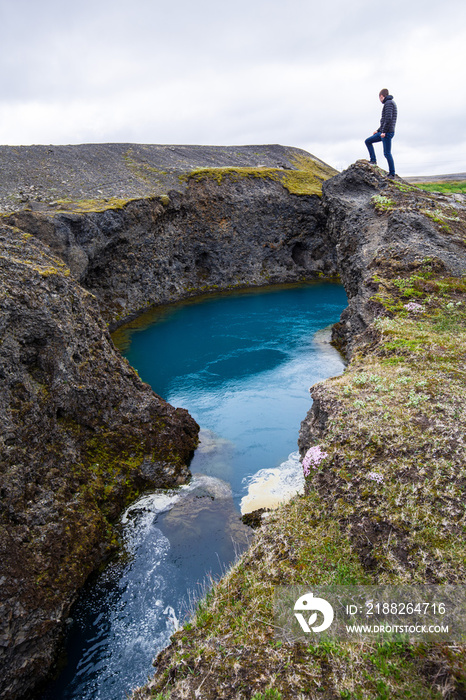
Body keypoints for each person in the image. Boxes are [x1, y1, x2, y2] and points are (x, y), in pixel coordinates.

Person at [365, 89, 397, 177]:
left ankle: (392, 173)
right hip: (384, 132)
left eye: (379, 98)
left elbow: (388, 119)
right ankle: (373, 160)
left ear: (381, 96)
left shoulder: (389, 103)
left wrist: (383, 132)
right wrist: (378, 130)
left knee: (387, 153)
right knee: (368, 141)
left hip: (387, 133)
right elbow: (384, 121)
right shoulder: (388, 103)